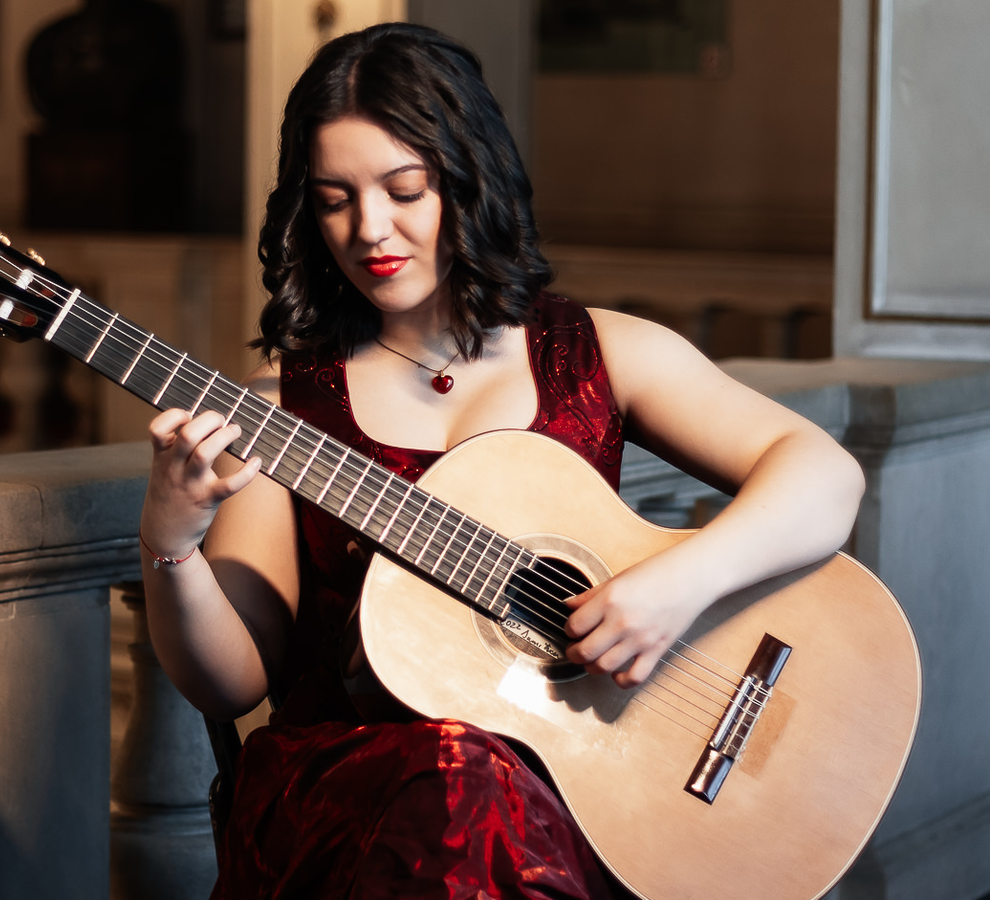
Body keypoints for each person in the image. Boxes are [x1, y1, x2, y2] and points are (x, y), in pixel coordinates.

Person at [137, 22, 865, 899]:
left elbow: (826, 476)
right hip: (351, 795)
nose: (370, 228)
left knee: (481, 793)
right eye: (334, 200)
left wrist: (678, 587)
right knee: (459, 779)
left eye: (405, 189)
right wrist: (170, 543)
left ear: (468, 176)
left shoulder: (598, 353)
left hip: (584, 777)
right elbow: (233, 681)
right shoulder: (284, 408)